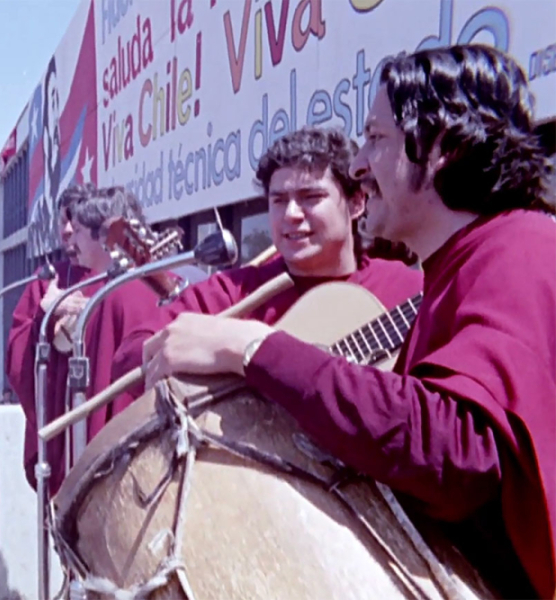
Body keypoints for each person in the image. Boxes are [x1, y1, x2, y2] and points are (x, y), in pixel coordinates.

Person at [139, 45, 555, 598]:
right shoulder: (471, 259)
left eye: (376, 139)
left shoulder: (519, 249)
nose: (360, 164)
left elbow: (457, 455)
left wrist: (254, 348)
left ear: (445, 150)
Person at [111, 126, 424, 403]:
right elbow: (131, 358)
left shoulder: (407, 290)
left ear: (357, 203)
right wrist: (229, 358)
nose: (290, 214)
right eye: (278, 200)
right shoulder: (236, 292)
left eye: (310, 197)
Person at [7, 184, 162, 494]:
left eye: (75, 225)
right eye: (63, 222)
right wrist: (45, 318)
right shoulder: (47, 282)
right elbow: (19, 358)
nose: (67, 232)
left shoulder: (121, 288)